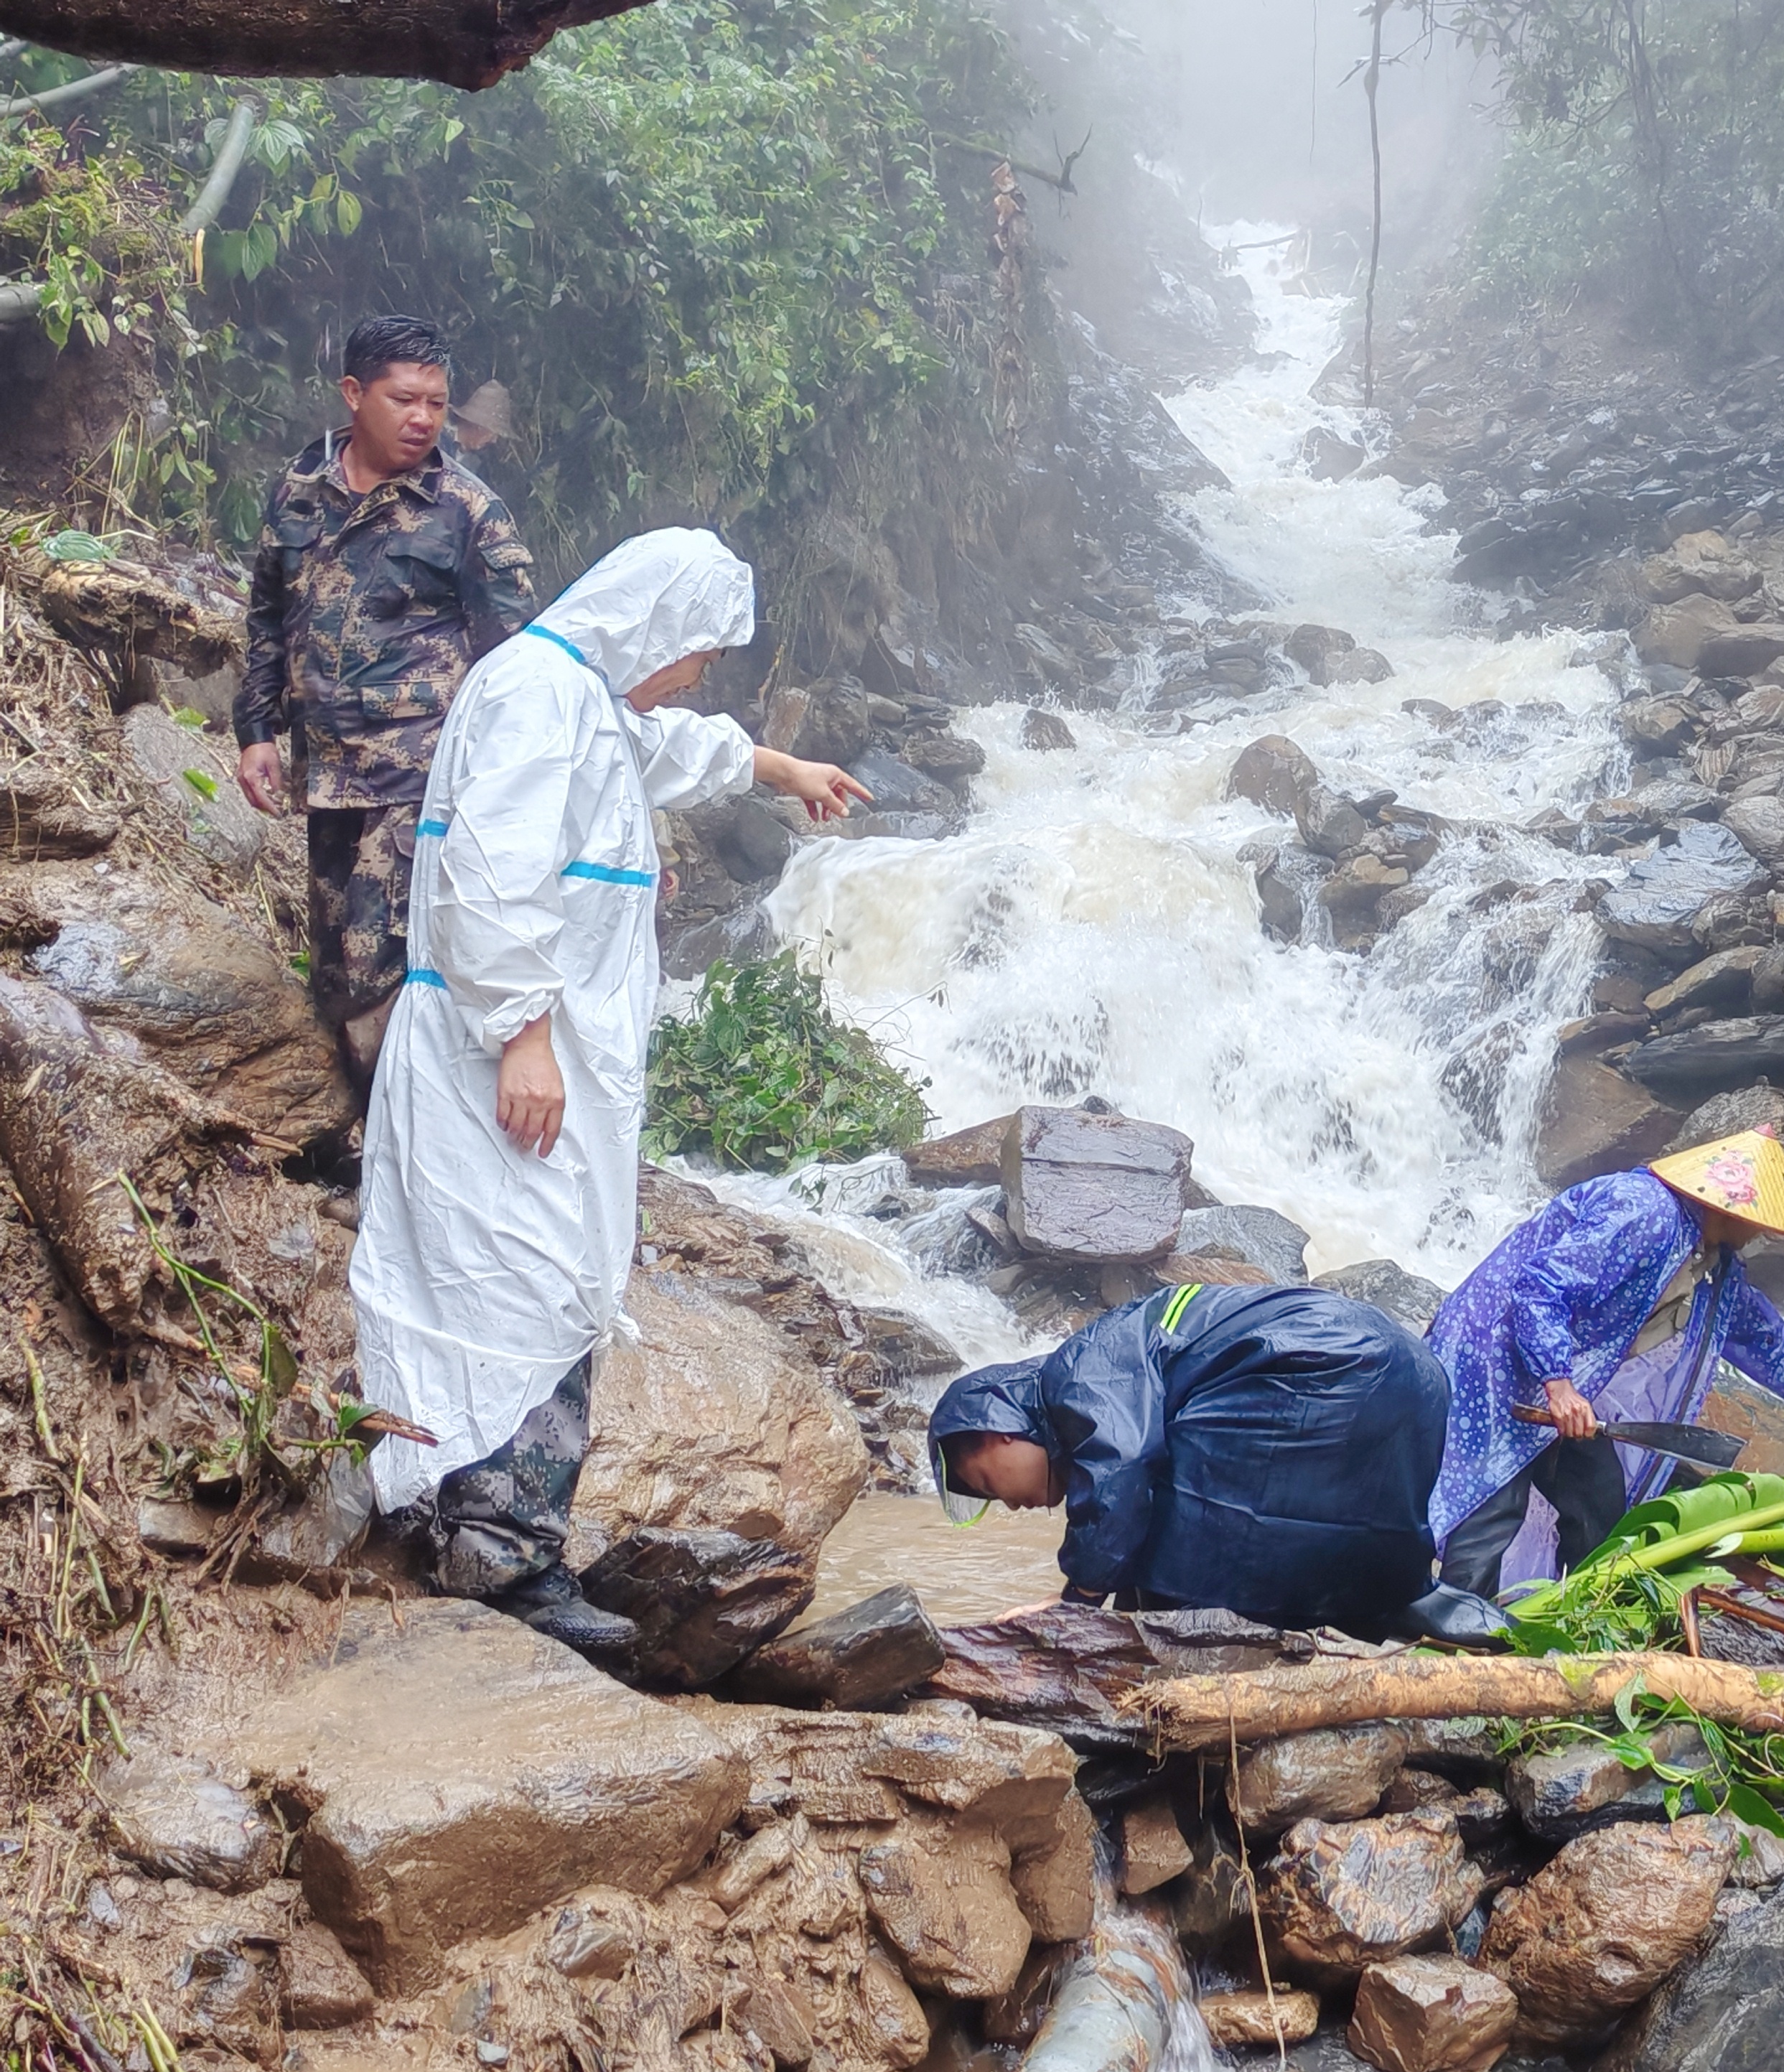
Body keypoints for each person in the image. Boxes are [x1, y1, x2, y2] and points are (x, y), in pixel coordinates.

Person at [347, 530, 867, 1653]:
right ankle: (507, 1563)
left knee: (510, 1283)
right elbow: (493, 868)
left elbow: (666, 749)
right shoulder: (541, 693)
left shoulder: (572, 695)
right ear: (655, 625)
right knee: (529, 1291)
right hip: (504, 1058)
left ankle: (462, 1531)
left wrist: (784, 771)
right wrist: (524, 1035)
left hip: (518, 1056)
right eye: (700, 653)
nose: (695, 676)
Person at [236, 315, 541, 1084]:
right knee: (337, 974)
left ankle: (405, 1153)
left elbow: (521, 662)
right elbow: (270, 616)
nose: (423, 419)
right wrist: (255, 731)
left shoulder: (467, 511)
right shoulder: (298, 490)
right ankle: (363, 1142)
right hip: (328, 778)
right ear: (353, 394)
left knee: (389, 967)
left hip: (418, 783)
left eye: (436, 404)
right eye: (405, 399)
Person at [1429, 1129, 1784, 1597]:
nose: (1762, 1233)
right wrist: (1558, 1384)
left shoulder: (1715, 1270)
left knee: (1597, 1495)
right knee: (1492, 1501)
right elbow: (1540, 1289)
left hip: (1554, 1379)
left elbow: (1770, 1346)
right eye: (1759, 1220)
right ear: (1730, 1208)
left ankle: (1573, 1609)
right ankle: (1456, 1639)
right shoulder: (1644, 1213)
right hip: (1492, 1353)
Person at [930, 1281, 1499, 1639]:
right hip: (1410, 1372)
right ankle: (1468, 1627)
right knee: (1358, 1566)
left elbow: (1121, 1469)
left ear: (1001, 1431)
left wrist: (1073, 1606)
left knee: (1152, 1497)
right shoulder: (1103, 1362)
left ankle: (1188, 1660)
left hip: (1328, 1368)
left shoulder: (1078, 1371)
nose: (1009, 1503)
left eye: (987, 1482)